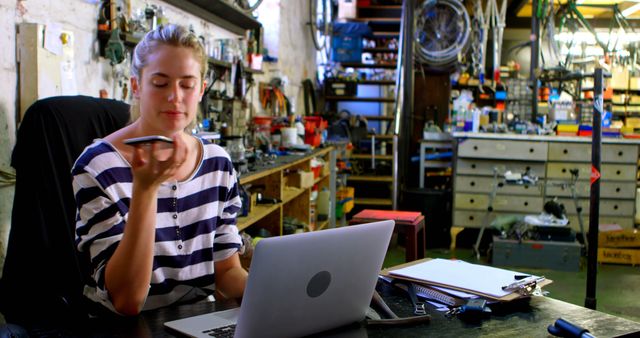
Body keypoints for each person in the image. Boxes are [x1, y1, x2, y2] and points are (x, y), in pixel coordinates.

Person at [72, 24, 247, 316]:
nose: (175, 97)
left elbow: (227, 271)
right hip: (122, 329)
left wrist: (275, 294)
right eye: (161, 83)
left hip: (196, 322)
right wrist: (146, 189)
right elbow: (126, 301)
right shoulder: (98, 166)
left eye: (187, 84)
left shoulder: (218, 163)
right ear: (137, 86)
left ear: (201, 89)